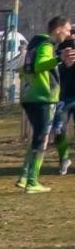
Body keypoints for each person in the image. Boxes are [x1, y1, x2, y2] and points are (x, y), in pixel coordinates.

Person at [15, 15, 69, 193]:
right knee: (42, 139)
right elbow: (40, 66)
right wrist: (59, 59)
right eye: (67, 30)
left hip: (29, 96)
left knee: (37, 137)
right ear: (58, 29)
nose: (68, 34)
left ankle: (24, 176)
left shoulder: (35, 43)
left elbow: (24, 69)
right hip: (43, 98)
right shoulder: (47, 45)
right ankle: (32, 181)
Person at [51, 33, 75, 176]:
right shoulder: (59, 51)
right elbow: (50, 69)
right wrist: (63, 62)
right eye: (70, 32)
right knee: (60, 130)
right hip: (62, 98)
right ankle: (64, 159)